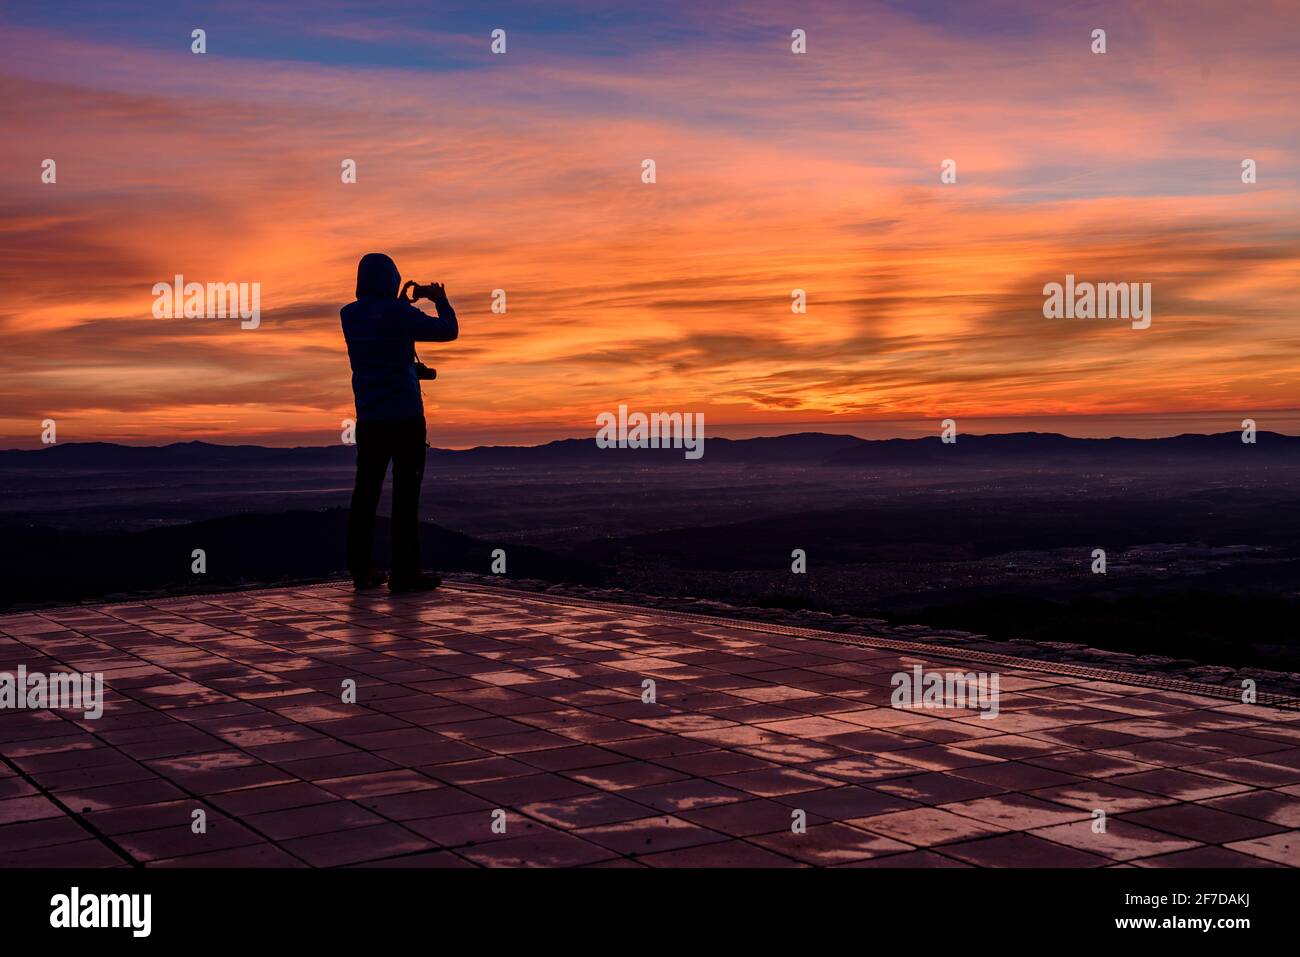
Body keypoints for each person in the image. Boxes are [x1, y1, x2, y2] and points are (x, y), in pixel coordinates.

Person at [340, 252, 458, 592]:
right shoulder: (398, 312)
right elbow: (447, 331)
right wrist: (440, 300)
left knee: (365, 493)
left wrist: (399, 304)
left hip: (369, 418)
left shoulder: (349, 314)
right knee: (406, 495)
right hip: (405, 416)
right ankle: (405, 573)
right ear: (392, 278)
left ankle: (361, 571)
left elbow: (380, 321)